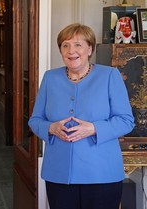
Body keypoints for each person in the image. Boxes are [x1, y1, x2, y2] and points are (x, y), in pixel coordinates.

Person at [28, 23, 134, 209]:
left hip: (101, 174)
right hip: (59, 174)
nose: (71, 51)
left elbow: (126, 121)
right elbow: (35, 120)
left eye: (78, 45)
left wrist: (93, 128)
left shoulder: (109, 75)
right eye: (65, 45)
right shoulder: (50, 78)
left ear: (90, 48)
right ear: (60, 50)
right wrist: (50, 128)